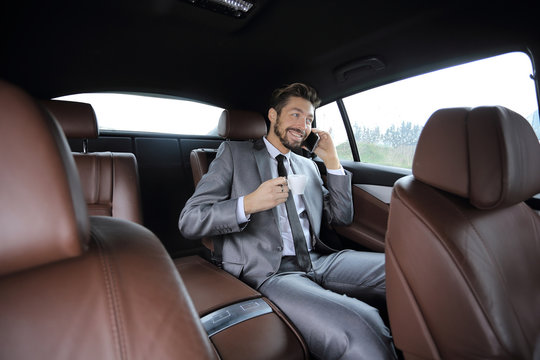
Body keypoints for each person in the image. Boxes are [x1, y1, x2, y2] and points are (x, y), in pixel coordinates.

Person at [179, 83, 396, 359]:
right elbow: (189, 220)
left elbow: (341, 216)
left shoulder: (307, 165)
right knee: (363, 325)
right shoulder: (234, 155)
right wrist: (249, 203)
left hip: (320, 259)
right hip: (272, 272)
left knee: (406, 271)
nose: (303, 125)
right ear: (272, 115)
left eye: (308, 119)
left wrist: (331, 161)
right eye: (295, 115)